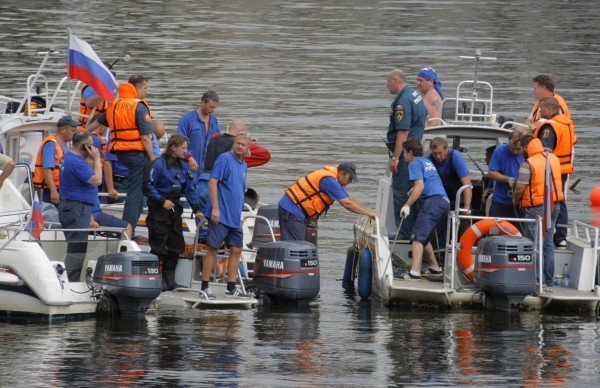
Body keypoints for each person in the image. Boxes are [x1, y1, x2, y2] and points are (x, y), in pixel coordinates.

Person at [90, 76, 157, 230]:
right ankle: (127, 229)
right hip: (137, 155)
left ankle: (130, 227)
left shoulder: (114, 105)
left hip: (121, 153)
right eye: (146, 88)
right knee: (135, 193)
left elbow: (95, 123)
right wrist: (153, 157)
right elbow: (146, 137)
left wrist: (81, 134)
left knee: (140, 192)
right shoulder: (139, 107)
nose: (146, 92)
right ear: (137, 88)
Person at [143, 134, 204, 291]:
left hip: (175, 209)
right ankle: (157, 280)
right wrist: (161, 200)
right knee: (158, 247)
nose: (186, 152)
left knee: (176, 246)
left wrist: (197, 208)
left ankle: (170, 280)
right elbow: (147, 186)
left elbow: (189, 189)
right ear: (173, 147)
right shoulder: (157, 164)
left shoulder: (183, 166)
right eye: (183, 148)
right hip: (159, 209)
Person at [200, 133, 253, 299]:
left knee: (237, 249)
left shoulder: (243, 165)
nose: (239, 147)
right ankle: (205, 287)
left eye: (243, 145)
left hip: (235, 217)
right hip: (220, 215)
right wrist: (215, 208)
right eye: (237, 143)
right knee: (213, 249)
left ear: (247, 148)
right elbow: (212, 182)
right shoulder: (224, 159)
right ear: (233, 143)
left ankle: (231, 287)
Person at [278, 162, 376, 242]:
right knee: (296, 247)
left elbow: (349, 198)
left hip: (293, 211)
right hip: (291, 211)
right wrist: (368, 213)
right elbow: (347, 204)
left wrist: (368, 211)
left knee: (296, 246)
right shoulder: (329, 181)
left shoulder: (334, 179)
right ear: (341, 173)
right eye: (349, 178)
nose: (350, 182)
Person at [512, 135, 564, 286]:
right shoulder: (553, 158)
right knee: (547, 243)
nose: (520, 151)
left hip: (536, 208)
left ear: (527, 147)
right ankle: (548, 281)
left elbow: (520, 188)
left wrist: (515, 201)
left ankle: (534, 280)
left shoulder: (528, 164)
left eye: (521, 148)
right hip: (554, 205)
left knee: (534, 244)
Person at [398, 138, 450, 280]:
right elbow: (427, 182)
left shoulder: (414, 163)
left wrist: (407, 205)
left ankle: (414, 272)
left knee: (417, 235)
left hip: (433, 201)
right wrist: (413, 190)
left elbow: (420, 185)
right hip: (444, 202)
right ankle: (435, 267)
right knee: (424, 236)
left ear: (410, 152)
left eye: (404, 153)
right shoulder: (427, 162)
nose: (403, 156)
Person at [386, 69, 428, 238]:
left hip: (406, 155)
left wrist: (396, 158)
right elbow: (424, 115)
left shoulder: (403, 101)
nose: (386, 84)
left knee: (401, 192)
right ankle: (411, 230)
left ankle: (403, 233)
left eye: (388, 81)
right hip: (415, 150)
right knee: (411, 191)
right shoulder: (415, 94)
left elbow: (402, 132)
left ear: (396, 81)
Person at [58, 131, 102, 282]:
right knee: (77, 250)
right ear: (84, 146)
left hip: (75, 208)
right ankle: (69, 283)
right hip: (76, 210)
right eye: (91, 146)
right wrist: (96, 159)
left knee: (75, 247)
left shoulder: (68, 157)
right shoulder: (76, 162)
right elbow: (96, 180)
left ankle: (69, 281)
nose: (93, 149)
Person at [532, 96, 576, 247]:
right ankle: (561, 236)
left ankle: (550, 234)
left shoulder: (550, 127)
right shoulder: (565, 124)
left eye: (542, 108)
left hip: (551, 170)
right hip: (562, 168)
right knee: (560, 200)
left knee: (554, 201)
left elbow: (544, 151)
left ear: (549, 109)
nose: (540, 111)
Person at [178, 90, 222, 212]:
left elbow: (218, 142)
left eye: (215, 108)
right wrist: (189, 157)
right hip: (188, 168)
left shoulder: (214, 121)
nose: (213, 110)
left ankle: (203, 221)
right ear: (203, 102)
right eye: (211, 107)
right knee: (189, 195)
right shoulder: (187, 119)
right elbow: (179, 143)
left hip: (207, 171)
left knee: (205, 198)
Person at [32, 115, 78, 204]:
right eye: (73, 131)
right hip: (52, 191)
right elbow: (47, 169)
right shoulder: (51, 144)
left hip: (62, 188)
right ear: (63, 130)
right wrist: (53, 191)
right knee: (52, 216)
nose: (75, 134)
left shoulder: (63, 145)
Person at [204, 119, 271, 172]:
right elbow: (265, 155)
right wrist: (249, 142)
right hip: (223, 181)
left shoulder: (213, 139)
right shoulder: (238, 146)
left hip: (205, 177)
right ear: (242, 133)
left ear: (229, 128)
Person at [487, 131, 524, 219]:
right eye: (512, 148)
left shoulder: (528, 153)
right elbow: (491, 173)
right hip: (500, 200)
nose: (515, 152)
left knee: (520, 231)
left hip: (521, 202)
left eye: (518, 149)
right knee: (494, 229)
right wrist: (507, 179)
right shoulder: (499, 151)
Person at [428, 137, 471, 210]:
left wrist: (466, 207)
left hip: (458, 193)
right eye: (435, 153)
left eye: (440, 153)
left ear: (446, 149)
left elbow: (467, 183)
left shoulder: (455, 156)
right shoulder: (429, 160)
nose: (438, 156)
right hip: (441, 195)